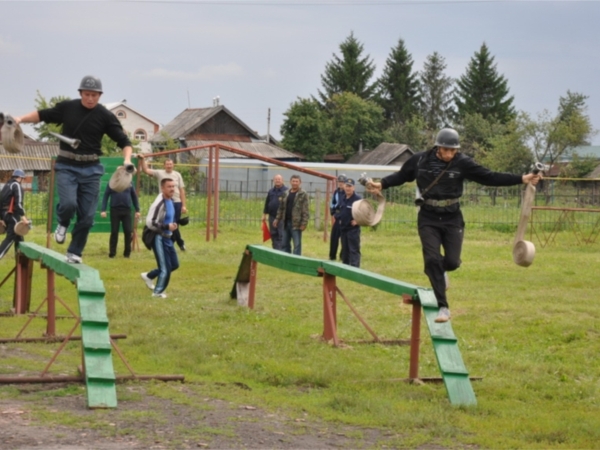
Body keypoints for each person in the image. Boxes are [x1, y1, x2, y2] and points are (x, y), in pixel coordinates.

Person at [367, 128, 541, 323]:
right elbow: (402, 175)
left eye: (453, 150)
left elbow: (489, 176)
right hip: (428, 217)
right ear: (437, 147)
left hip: (452, 217)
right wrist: (382, 184)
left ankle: (441, 273)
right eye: (446, 150)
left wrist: (521, 178)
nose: (449, 154)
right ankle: (443, 307)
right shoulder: (419, 160)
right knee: (432, 259)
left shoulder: (462, 162)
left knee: (452, 262)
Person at [15, 75, 133, 264]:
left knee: (87, 217)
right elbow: (42, 114)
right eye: (87, 94)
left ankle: (74, 252)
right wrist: (20, 119)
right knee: (69, 204)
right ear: (80, 93)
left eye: (95, 95)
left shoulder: (104, 115)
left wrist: (127, 159)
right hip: (67, 166)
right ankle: (63, 223)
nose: (90, 98)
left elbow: (124, 142)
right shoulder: (68, 108)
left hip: (92, 169)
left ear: (100, 96)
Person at [140, 178, 180, 298]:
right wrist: (166, 226)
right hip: (159, 237)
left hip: (168, 237)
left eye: (173, 186)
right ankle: (157, 292)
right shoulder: (159, 203)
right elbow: (150, 222)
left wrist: (174, 224)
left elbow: (168, 218)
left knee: (174, 264)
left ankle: (149, 276)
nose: (172, 189)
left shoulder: (171, 200)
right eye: (169, 186)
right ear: (162, 188)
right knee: (165, 268)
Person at [139, 156, 187, 251]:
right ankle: (178, 243)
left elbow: (182, 190)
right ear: (164, 165)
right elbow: (145, 170)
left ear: (173, 165)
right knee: (169, 223)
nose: (169, 166)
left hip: (176, 202)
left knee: (174, 224)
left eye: (170, 164)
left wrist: (184, 205)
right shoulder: (159, 173)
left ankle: (174, 243)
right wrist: (142, 159)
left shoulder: (177, 175)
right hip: (165, 202)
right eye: (167, 164)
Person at [100, 183, 140, 258]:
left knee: (128, 231)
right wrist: (103, 210)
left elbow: (134, 196)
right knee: (114, 232)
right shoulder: (112, 182)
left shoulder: (130, 183)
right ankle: (112, 253)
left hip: (127, 210)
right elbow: (106, 196)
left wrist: (137, 209)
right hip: (115, 210)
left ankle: (127, 253)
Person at [273, 174, 309, 255]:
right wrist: (277, 219)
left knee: (297, 244)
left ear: (300, 182)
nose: (295, 183)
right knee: (284, 243)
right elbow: (281, 208)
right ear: (290, 182)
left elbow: (305, 210)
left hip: (296, 223)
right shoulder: (286, 193)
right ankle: (286, 260)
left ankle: (296, 261)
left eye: (296, 181)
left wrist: (304, 223)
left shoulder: (303, 194)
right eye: (293, 181)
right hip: (286, 222)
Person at [0, 169, 29, 260]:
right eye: (23, 179)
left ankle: (21, 262)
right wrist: (23, 217)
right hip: (12, 214)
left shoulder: (6, 186)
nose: (22, 181)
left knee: (19, 237)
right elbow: (18, 202)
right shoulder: (16, 185)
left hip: (5, 214)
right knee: (11, 237)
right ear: (20, 178)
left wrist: (1, 218)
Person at [335, 178, 362, 267]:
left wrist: (358, 221)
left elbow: (365, 212)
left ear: (353, 187)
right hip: (343, 228)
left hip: (352, 229)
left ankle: (355, 268)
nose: (348, 188)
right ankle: (345, 267)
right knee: (345, 250)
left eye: (350, 186)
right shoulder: (342, 197)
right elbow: (338, 209)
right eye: (346, 186)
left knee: (353, 249)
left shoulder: (358, 199)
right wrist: (338, 218)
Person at [262, 174, 288, 250]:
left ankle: (281, 251)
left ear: (282, 180)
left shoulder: (286, 191)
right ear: (274, 180)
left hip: (281, 217)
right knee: (273, 234)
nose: (277, 180)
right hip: (272, 216)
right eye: (276, 179)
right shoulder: (271, 191)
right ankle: (275, 249)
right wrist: (264, 214)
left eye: (279, 179)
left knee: (281, 234)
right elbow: (267, 203)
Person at [329, 174, 346, 260]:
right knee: (334, 237)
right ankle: (332, 256)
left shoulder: (348, 192)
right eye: (339, 182)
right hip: (337, 217)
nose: (341, 183)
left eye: (342, 182)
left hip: (345, 218)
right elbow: (332, 203)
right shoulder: (336, 192)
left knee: (344, 239)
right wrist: (333, 213)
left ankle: (343, 255)